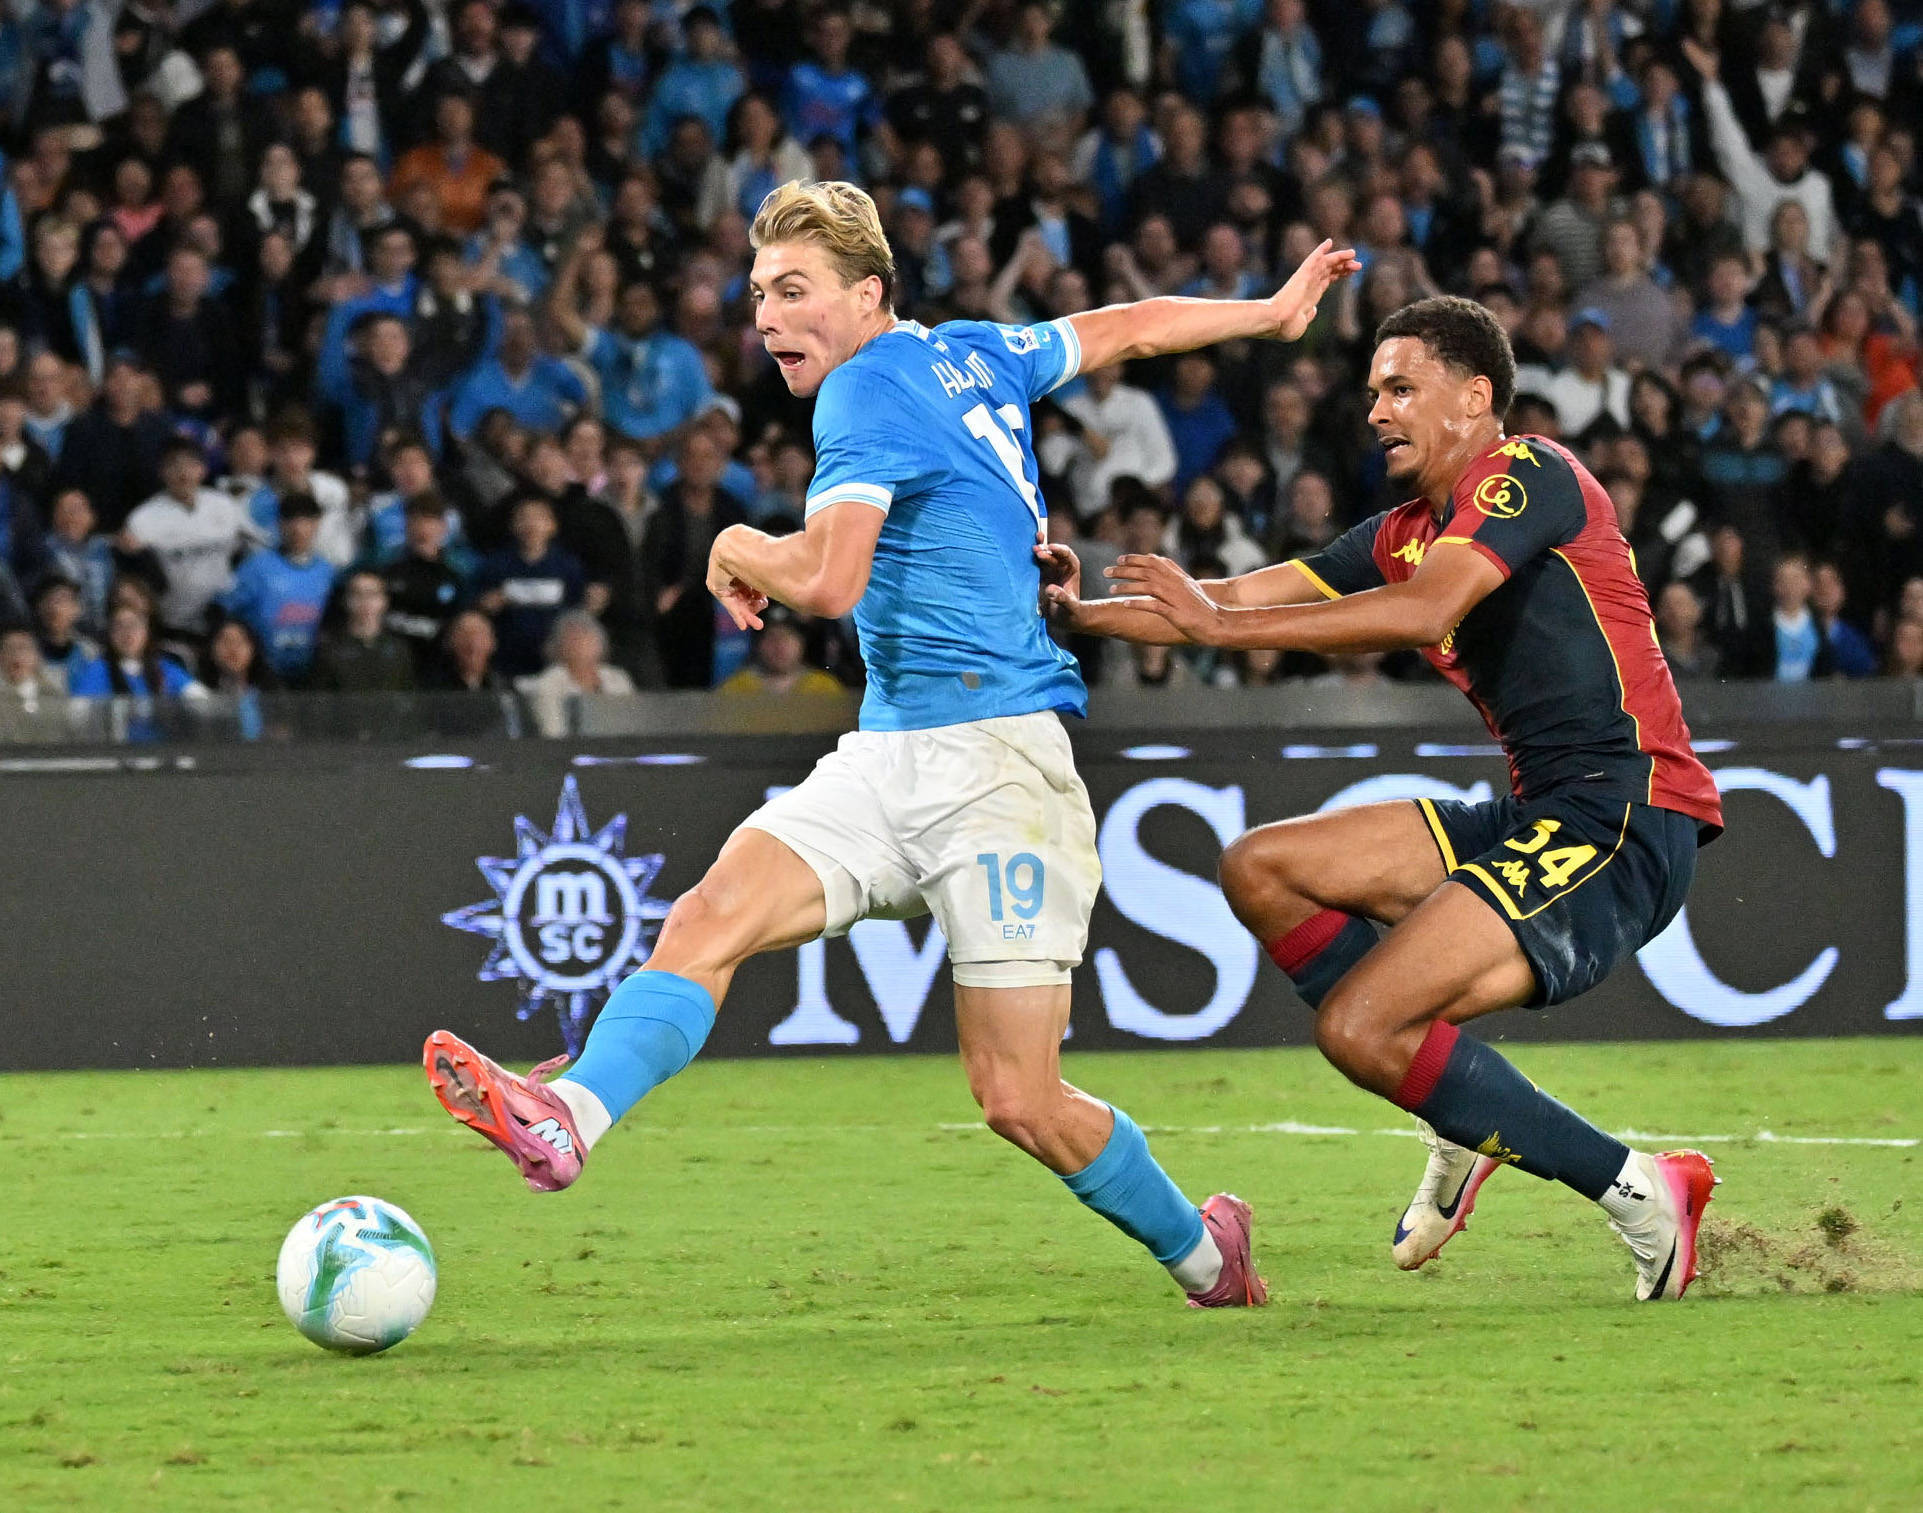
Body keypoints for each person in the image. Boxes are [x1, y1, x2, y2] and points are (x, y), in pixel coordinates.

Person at [424, 180, 1358, 1309]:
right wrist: (1268, 312)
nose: (768, 318)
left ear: (869, 294)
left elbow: (827, 579)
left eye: (796, 291)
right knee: (710, 917)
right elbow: (1128, 326)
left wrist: (733, 542)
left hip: (1001, 771)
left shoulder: (863, 389)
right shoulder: (976, 351)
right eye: (759, 293)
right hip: (889, 750)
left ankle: (1209, 1258)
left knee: (1019, 1098)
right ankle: (568, 1116)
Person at [1052, 296, 1724, 1301]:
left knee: (1362, 1030)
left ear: (1475, 397)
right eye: (1373, 392)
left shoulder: (1528, 474)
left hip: (1624, 816)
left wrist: (1216, 628)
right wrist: (1076, 611)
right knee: (1263, 868)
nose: (1376, 411)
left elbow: (1422, 610)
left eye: (1401, 388)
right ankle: (1455, 1108)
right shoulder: (1403, 532)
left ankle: (1641, 1191)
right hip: (1539, 811)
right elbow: (1227, 599)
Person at [123, 437, 268, 639]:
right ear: (161, 471)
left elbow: (257, 548)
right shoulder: (143, 519)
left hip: (223, 620)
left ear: (203, 469)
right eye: (174, 465)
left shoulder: (225, 505)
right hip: (172, 624)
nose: (183, 473)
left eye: (190, 464)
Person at [219, 491, 337, 685]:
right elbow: (224, 612)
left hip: (312, 676)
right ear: (280, 524)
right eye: (291, 521)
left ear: (317, 525)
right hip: (263, 676)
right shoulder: (255, 568)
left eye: (306, 521)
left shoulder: (328, 572)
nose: (298, 529)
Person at [519, 608, 636, 736]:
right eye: (574, 639)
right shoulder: (548, 684)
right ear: (559, 647)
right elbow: (553, 732)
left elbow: (631, 724)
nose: (582, 643)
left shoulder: (617, 678)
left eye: (587, 636)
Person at [309, 570, 416, 692]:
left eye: (372, 594)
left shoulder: (399, 649)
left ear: (384, 600)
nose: (365, 601)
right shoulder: (329, 650)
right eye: (357, 594)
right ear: (345, 600)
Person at [719, 604, 842, 696]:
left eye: (788, 637)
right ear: (758, 644)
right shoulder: (737, 688)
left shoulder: (824, 687)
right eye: (771, 637)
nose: (779, 645)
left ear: (802, 643)